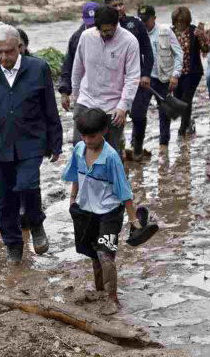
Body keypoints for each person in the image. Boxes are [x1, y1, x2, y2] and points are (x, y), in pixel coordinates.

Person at [0, 25, 63, 265]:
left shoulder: (39, 68)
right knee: (6, 199)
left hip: (31, 141)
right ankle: (13, 245)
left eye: (8, 52)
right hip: (0, 146)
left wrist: (55, 142)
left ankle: (36, 223)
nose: (3, 58)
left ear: (20, 47)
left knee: (28, 185)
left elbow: (50, 107)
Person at [62, 108, 141, 315]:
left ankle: (113, 298)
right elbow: (75, 176)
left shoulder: (111, 157)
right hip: (86, 210)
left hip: (109, 212)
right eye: (84, 135)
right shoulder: (79, 149)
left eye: (93, 136)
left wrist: (133, 219)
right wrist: (72, 200)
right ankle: (99, 292)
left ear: (104, 132)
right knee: (93, 255)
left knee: (106, 255)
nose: (88, 140)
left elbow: (124, 190)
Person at [71, 5, 140, 156]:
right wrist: (75, 96)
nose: (105, 34)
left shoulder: (129, 42)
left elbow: (132, 77)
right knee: (79, 150)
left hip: (113, 107)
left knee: (110, 154)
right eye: (101, 30)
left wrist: (123, 106)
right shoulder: (86, 37)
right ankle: (80, 180)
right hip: (86, 101)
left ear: (116, 24)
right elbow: (78, 67)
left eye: (109, 30)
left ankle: (114, 180)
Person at [104, 0, 154, 153]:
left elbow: (148, 51)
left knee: (139, 116)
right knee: (115, 119)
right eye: (114, 6)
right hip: (113, 82)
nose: (119, 8)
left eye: (121, 4)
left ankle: (137, 146)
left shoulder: (135, 24)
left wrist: (146, 74)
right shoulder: (102, 28)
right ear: (107, 8)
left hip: (136, 79)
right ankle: (118, 150)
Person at [133, 5, 183, 157]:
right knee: (138, 112)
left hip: (163, 79)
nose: (143, 23)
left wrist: (175, 75)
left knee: (164, 113)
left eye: (146, 20)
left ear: (154, 18)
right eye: (141, 20)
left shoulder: (165, 31)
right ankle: (135, 144)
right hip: (143, 79)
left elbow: (178, 53)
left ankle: (163, 144)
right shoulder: (136, 33)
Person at [171, 6, 210, 135]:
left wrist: (203, 37)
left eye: (182, 21)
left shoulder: (194, 31)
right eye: (177, 21)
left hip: (192, 72)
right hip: (176, 73)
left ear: (187, 21)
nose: (179, 24)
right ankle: (188, 121)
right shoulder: (170, 32)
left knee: (186, 99)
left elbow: (205, 49)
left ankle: (183, 128)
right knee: (177, 99)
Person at [58, 1, 99, 115]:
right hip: (82, 93)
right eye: (89, 24)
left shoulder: (110, 36)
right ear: (83, 19)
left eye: (95, 24)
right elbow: (68, 66)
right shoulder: (76, 38)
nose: (92, 28)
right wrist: (64, 93)